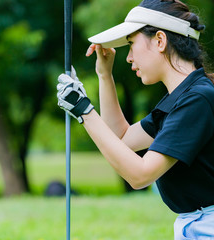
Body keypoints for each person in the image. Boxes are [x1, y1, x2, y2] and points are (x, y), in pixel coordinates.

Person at [56, 0, 214, 239]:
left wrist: (83, 110)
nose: (128, 57)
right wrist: (104, 75)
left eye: (131, 44)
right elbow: (122, 139)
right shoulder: (182, 98)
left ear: (160, 41)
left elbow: (140, 175)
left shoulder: (197, 99)